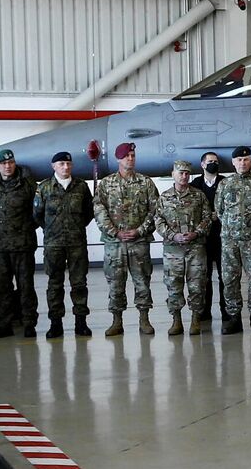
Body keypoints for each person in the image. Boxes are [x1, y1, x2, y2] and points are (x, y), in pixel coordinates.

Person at [95, 141, 160, 337]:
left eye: (132, 156)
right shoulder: (106, 184)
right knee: (115, 283)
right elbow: (99, 210)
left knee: (142, 282)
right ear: (118, 159)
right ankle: (117, 321)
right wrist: (114, 231)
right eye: (126, 156)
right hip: (115, 244)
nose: (130, 159)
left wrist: (140, 230)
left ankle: (144, 319)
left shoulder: (146, 182)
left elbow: (155, 210)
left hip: (138, 242)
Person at [34, 150, 94, 339]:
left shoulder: (81, 187)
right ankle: (55, 323)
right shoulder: (44, 188)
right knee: (54, 284)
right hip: (53, 244)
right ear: (53, 167)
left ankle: (81, 322)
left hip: (77, 243)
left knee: (79, 284)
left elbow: (88, 212)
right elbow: (37, 215)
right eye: (61, 164)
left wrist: (75, 227)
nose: (65, 167)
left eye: (68, 164)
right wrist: (52, 229)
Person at [214, 145, 251, 335]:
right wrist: (232, 228)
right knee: (230, 279)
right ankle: (234, 318)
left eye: (246, 159)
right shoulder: (224, 185)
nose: (243, 163)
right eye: (239, 160)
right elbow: (220, 210)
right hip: (229, 241)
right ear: (233, 162)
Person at [0, 148, 39, 338]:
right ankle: (4, 324)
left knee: (26, 286)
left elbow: (38, 211)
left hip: (22, 244)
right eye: (4, 164)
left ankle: (29, 322)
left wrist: (27, 228)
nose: (8, 166)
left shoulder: (27, 184)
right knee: (1, 287)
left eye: (11, 163)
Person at [156, 160, 213, 336]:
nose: (184, 176)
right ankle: (176, 320)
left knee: (197, 285)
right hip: (173, 250)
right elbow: (158, 220)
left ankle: (196, 319)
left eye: (187, 173)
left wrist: (196, 233)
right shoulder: (164, 197)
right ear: (173, 174)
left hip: (195, 248)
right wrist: (173, 235)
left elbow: (207, 218)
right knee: (174, 285)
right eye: (180, 173)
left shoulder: (199, 196)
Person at [190, 151, 229, 328]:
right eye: (210, 161)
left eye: (216, 161)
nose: (213, 164)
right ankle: (204, 311)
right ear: (202, 164)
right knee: (203, 277)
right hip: (202, 239)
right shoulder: (195, 185)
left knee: (225, 277)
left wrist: (219, 216)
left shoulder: (226, 183)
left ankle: (226, 311)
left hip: (223, 238)